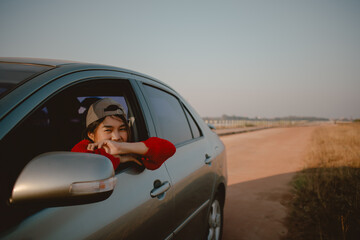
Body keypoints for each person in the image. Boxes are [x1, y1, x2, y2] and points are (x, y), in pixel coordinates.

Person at [71, 98, 176, 170]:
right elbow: (84, 166)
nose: (116, 137)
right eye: (108, 130)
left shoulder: (130, 149)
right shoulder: (86, 147)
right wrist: (119, 159)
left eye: (122, 129)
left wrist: (121, 148)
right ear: (91, 135)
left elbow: (169, 149)